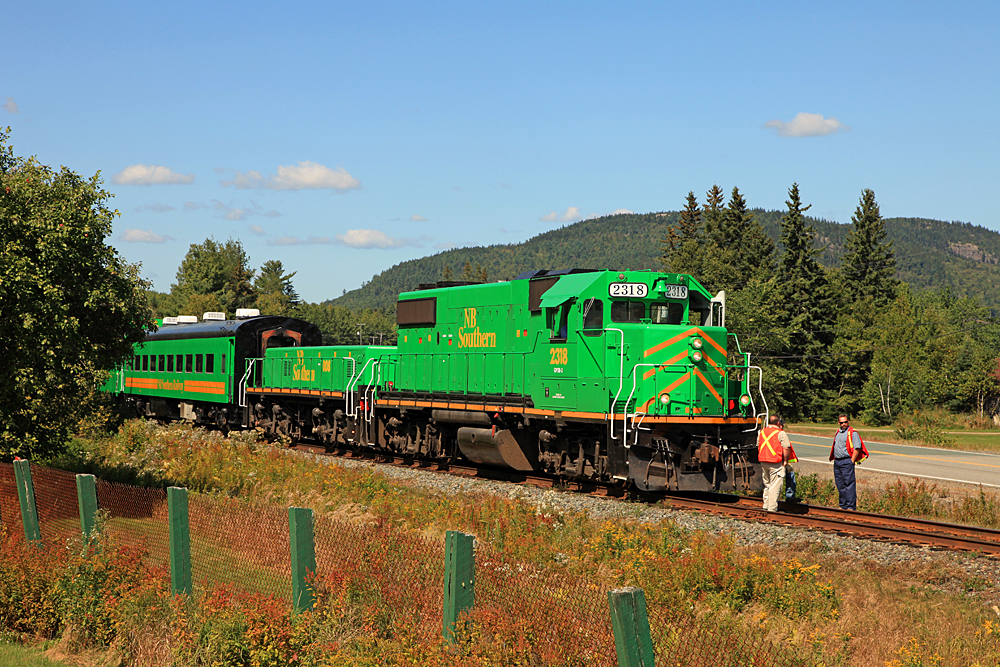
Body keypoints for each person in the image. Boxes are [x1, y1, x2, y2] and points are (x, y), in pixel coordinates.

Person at [829, 414, 866, 510]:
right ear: (838, 423)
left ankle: (850, 506)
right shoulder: (838, 432)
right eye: (842, 422)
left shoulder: (853, 433)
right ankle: (843, 505)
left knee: (849, 484)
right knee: (840, 484)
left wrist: (852, 461)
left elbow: (857, 448)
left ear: (848, 421)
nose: (844, 424)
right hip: (837, 461)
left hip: (847, 461)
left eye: (845, 422)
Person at [757, 414, 791, 512]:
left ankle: (766, 505)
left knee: (767, 484)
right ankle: (772, 509)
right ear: (778, 423)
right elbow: (786, 448)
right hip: (775, 462)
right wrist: (785, 460)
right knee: (775, 486)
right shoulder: (780, 433)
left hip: (763, 461)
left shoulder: (761, 432)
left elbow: (758, 445)